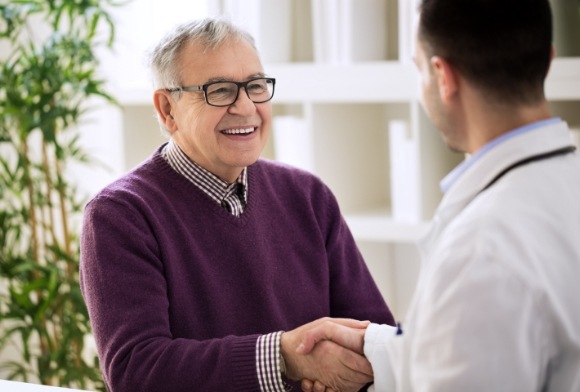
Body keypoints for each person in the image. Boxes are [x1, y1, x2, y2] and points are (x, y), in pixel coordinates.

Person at [79, 17, 395, 392]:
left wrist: (346, 367)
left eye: (256, 86)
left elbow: (374, 334)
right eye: (221, 90)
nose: (246, 107)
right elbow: (137, 371)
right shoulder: (120, 216)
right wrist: (284, 358)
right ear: (167, 109)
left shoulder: (308, 196)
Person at [295, 0, 580, 391]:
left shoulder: (482, 247)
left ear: (442, 76)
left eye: (418, 68)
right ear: (547, 60)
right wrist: (373, 348)